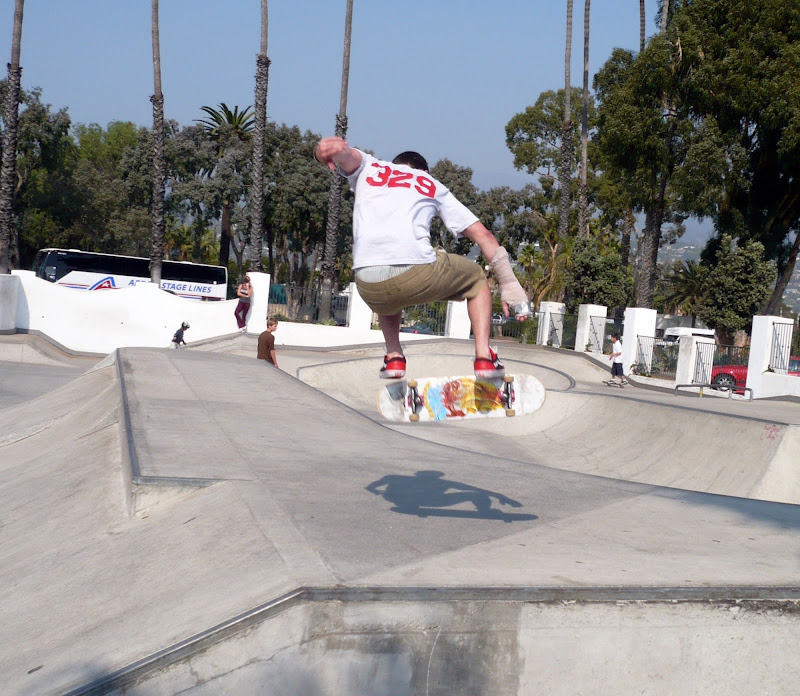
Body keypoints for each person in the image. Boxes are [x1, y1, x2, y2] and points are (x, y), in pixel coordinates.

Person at [313, 136, 530, 380]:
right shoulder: (429, 182)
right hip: (416, 274)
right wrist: (511, 286)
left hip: (367, 283)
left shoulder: (371, 166)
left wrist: (327, 152)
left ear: (394, 164)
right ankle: (484, 357)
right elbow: (484, 236)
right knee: (478, 280)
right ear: (424, 171)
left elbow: (346, 156)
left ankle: (394, 357)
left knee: (388, 293)